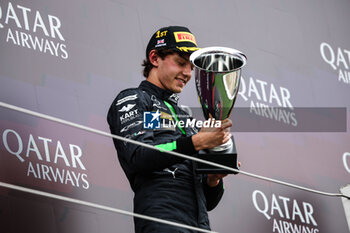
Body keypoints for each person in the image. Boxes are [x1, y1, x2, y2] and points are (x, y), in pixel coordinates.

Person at [107, 26, 232, 233]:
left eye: (191, 67)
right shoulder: (139, 100)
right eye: (181, 63)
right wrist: (197, 143)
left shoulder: (185, 118)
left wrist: (214, 178)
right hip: (162, 221)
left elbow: (209, 202)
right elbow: (140, 154)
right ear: (155, 58)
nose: (188, 73)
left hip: (199, 225)